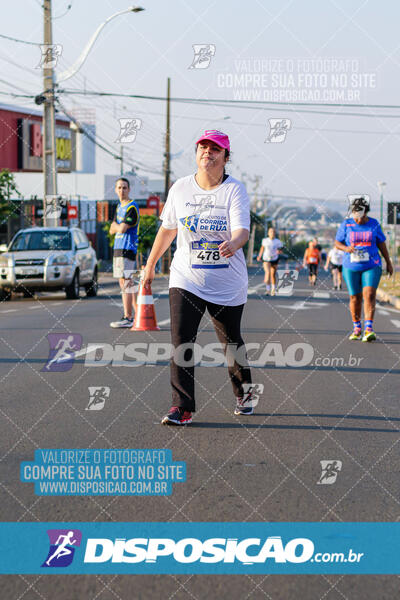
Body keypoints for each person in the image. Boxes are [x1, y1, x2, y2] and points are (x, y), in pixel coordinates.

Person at [142, 130, 253, 425]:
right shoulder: (180, 188)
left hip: (226, 283)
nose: (207, 152)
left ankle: (244, 392)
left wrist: (235, 243)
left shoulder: (234, 190)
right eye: (202, 147)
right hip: (186, 277)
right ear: (196, 154)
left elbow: (242, 230)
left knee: (231, 342)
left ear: (226, 157)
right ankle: (182, 407)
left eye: (215, 149)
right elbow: (168, 229)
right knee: (181, 341)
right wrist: (151, 264)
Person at [335, 196, 393, 341]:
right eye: (355, 215)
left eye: (360, 216)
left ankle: (368, 329)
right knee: (355, 297)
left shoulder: (374, 224)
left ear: (365, 213)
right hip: (351, 266)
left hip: (372, 265)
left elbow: (382, 244)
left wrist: (388, 262)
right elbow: (337, 243)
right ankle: (356, 328)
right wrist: (346, 248)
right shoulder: (346, 224)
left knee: (369, 294)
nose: (357, 219)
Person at [109, 177, 140, 328]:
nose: (122, 190)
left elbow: (120, 228)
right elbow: (111, 228)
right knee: (126, 282)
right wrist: (116, 226)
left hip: (127, 248)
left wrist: (117, 226)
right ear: (115, 190)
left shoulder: (132, 207)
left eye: (124, 188)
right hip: (118, 248)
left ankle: (128, 317)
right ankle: (137, 314)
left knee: (126, 281)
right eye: (119, 188)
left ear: (129, 189)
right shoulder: (118, 207)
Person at [256, 227, 283, 295]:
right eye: (271, 232)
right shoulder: (265, 240)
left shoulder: (278, 241)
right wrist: (259, 256)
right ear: (268, 233)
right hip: (266, 259)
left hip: (274, 259)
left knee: (273, 274)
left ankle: (273, 290)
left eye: (273, 232)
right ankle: (268, 290)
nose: (272, 233)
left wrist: (279, 251)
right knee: (267, 272)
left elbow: (281, 250)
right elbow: (262, 248)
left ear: (275, 233)